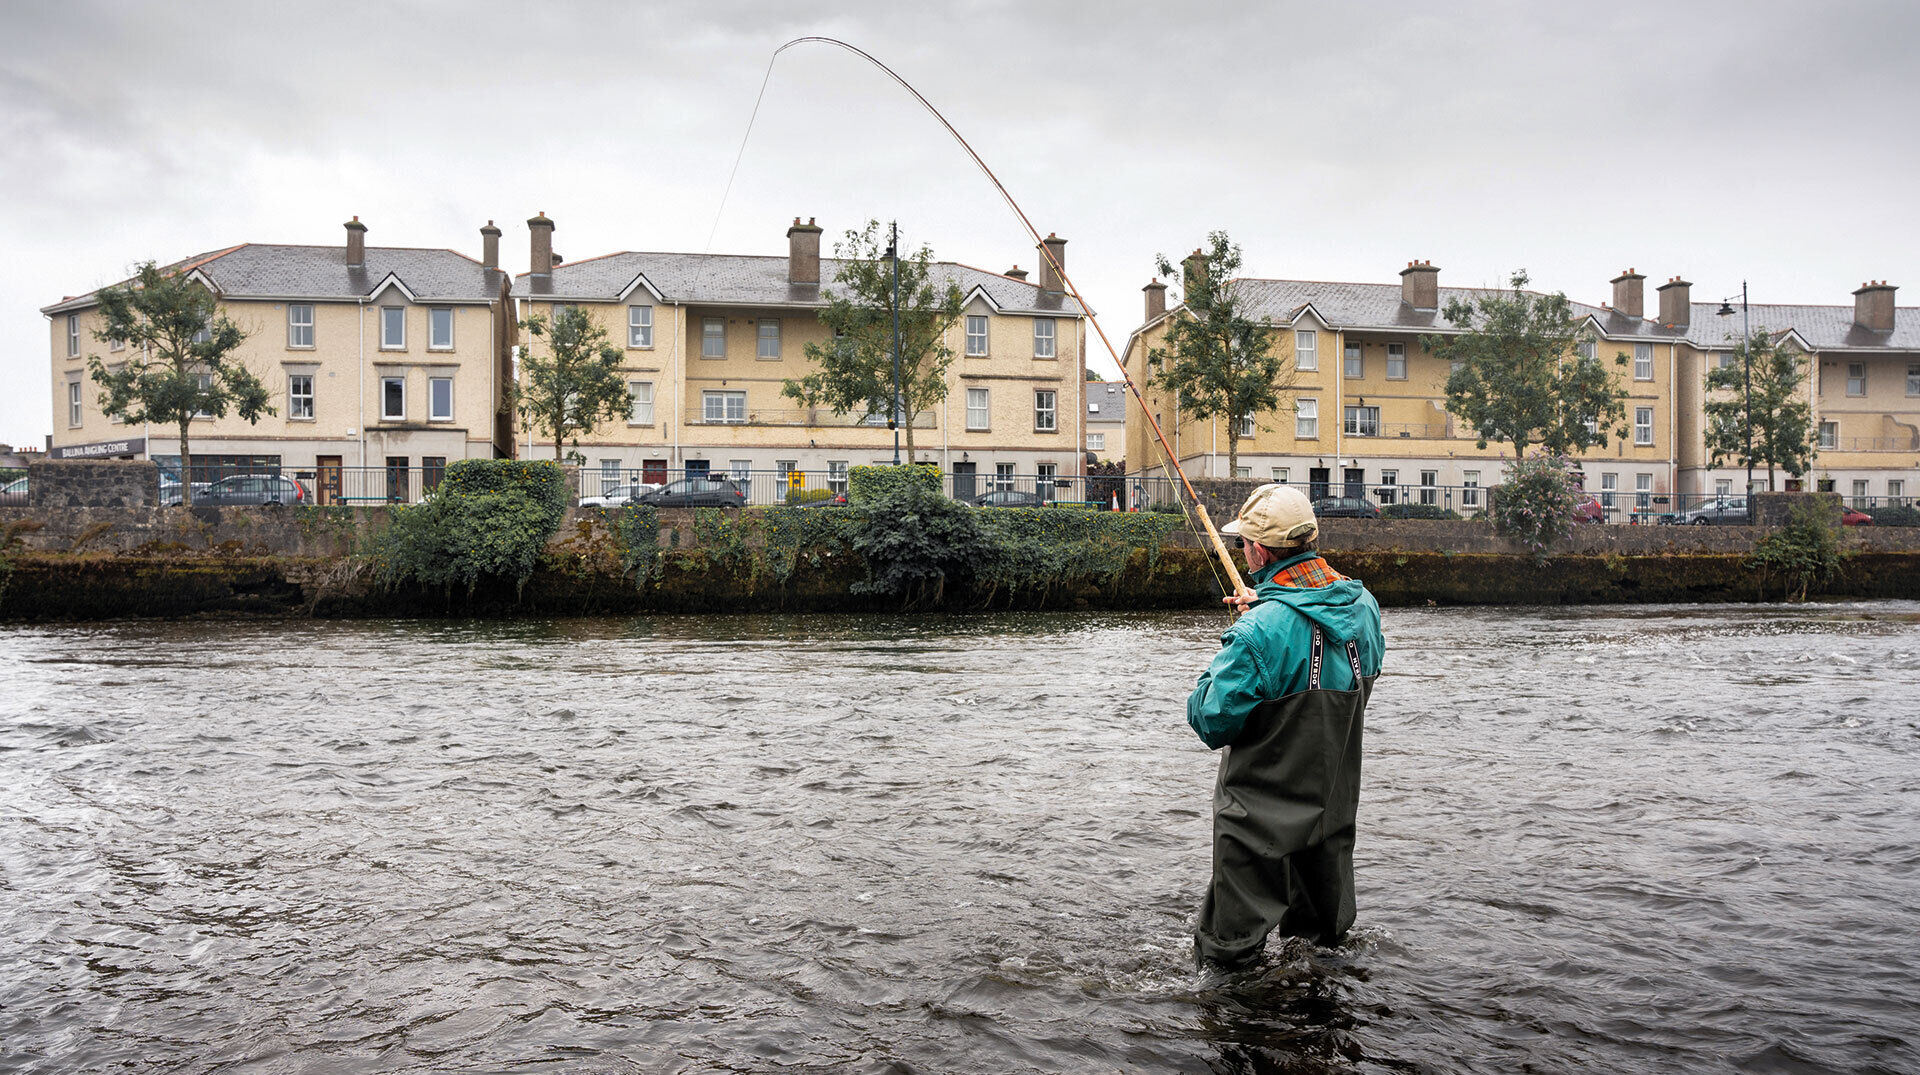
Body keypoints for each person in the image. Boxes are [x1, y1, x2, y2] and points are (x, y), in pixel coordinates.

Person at [1187, 483, 1384, 967]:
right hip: (1331, 814)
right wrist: (1269, 610)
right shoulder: (1366, 609)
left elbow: (1210, 718)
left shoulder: (1257, 631)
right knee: (1321, 955)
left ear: (1258, 549)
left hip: (1257, 826)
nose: (1242, 552)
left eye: (1243, 545)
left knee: (1229, 962)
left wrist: (1237, 642)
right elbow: (1359, 675)